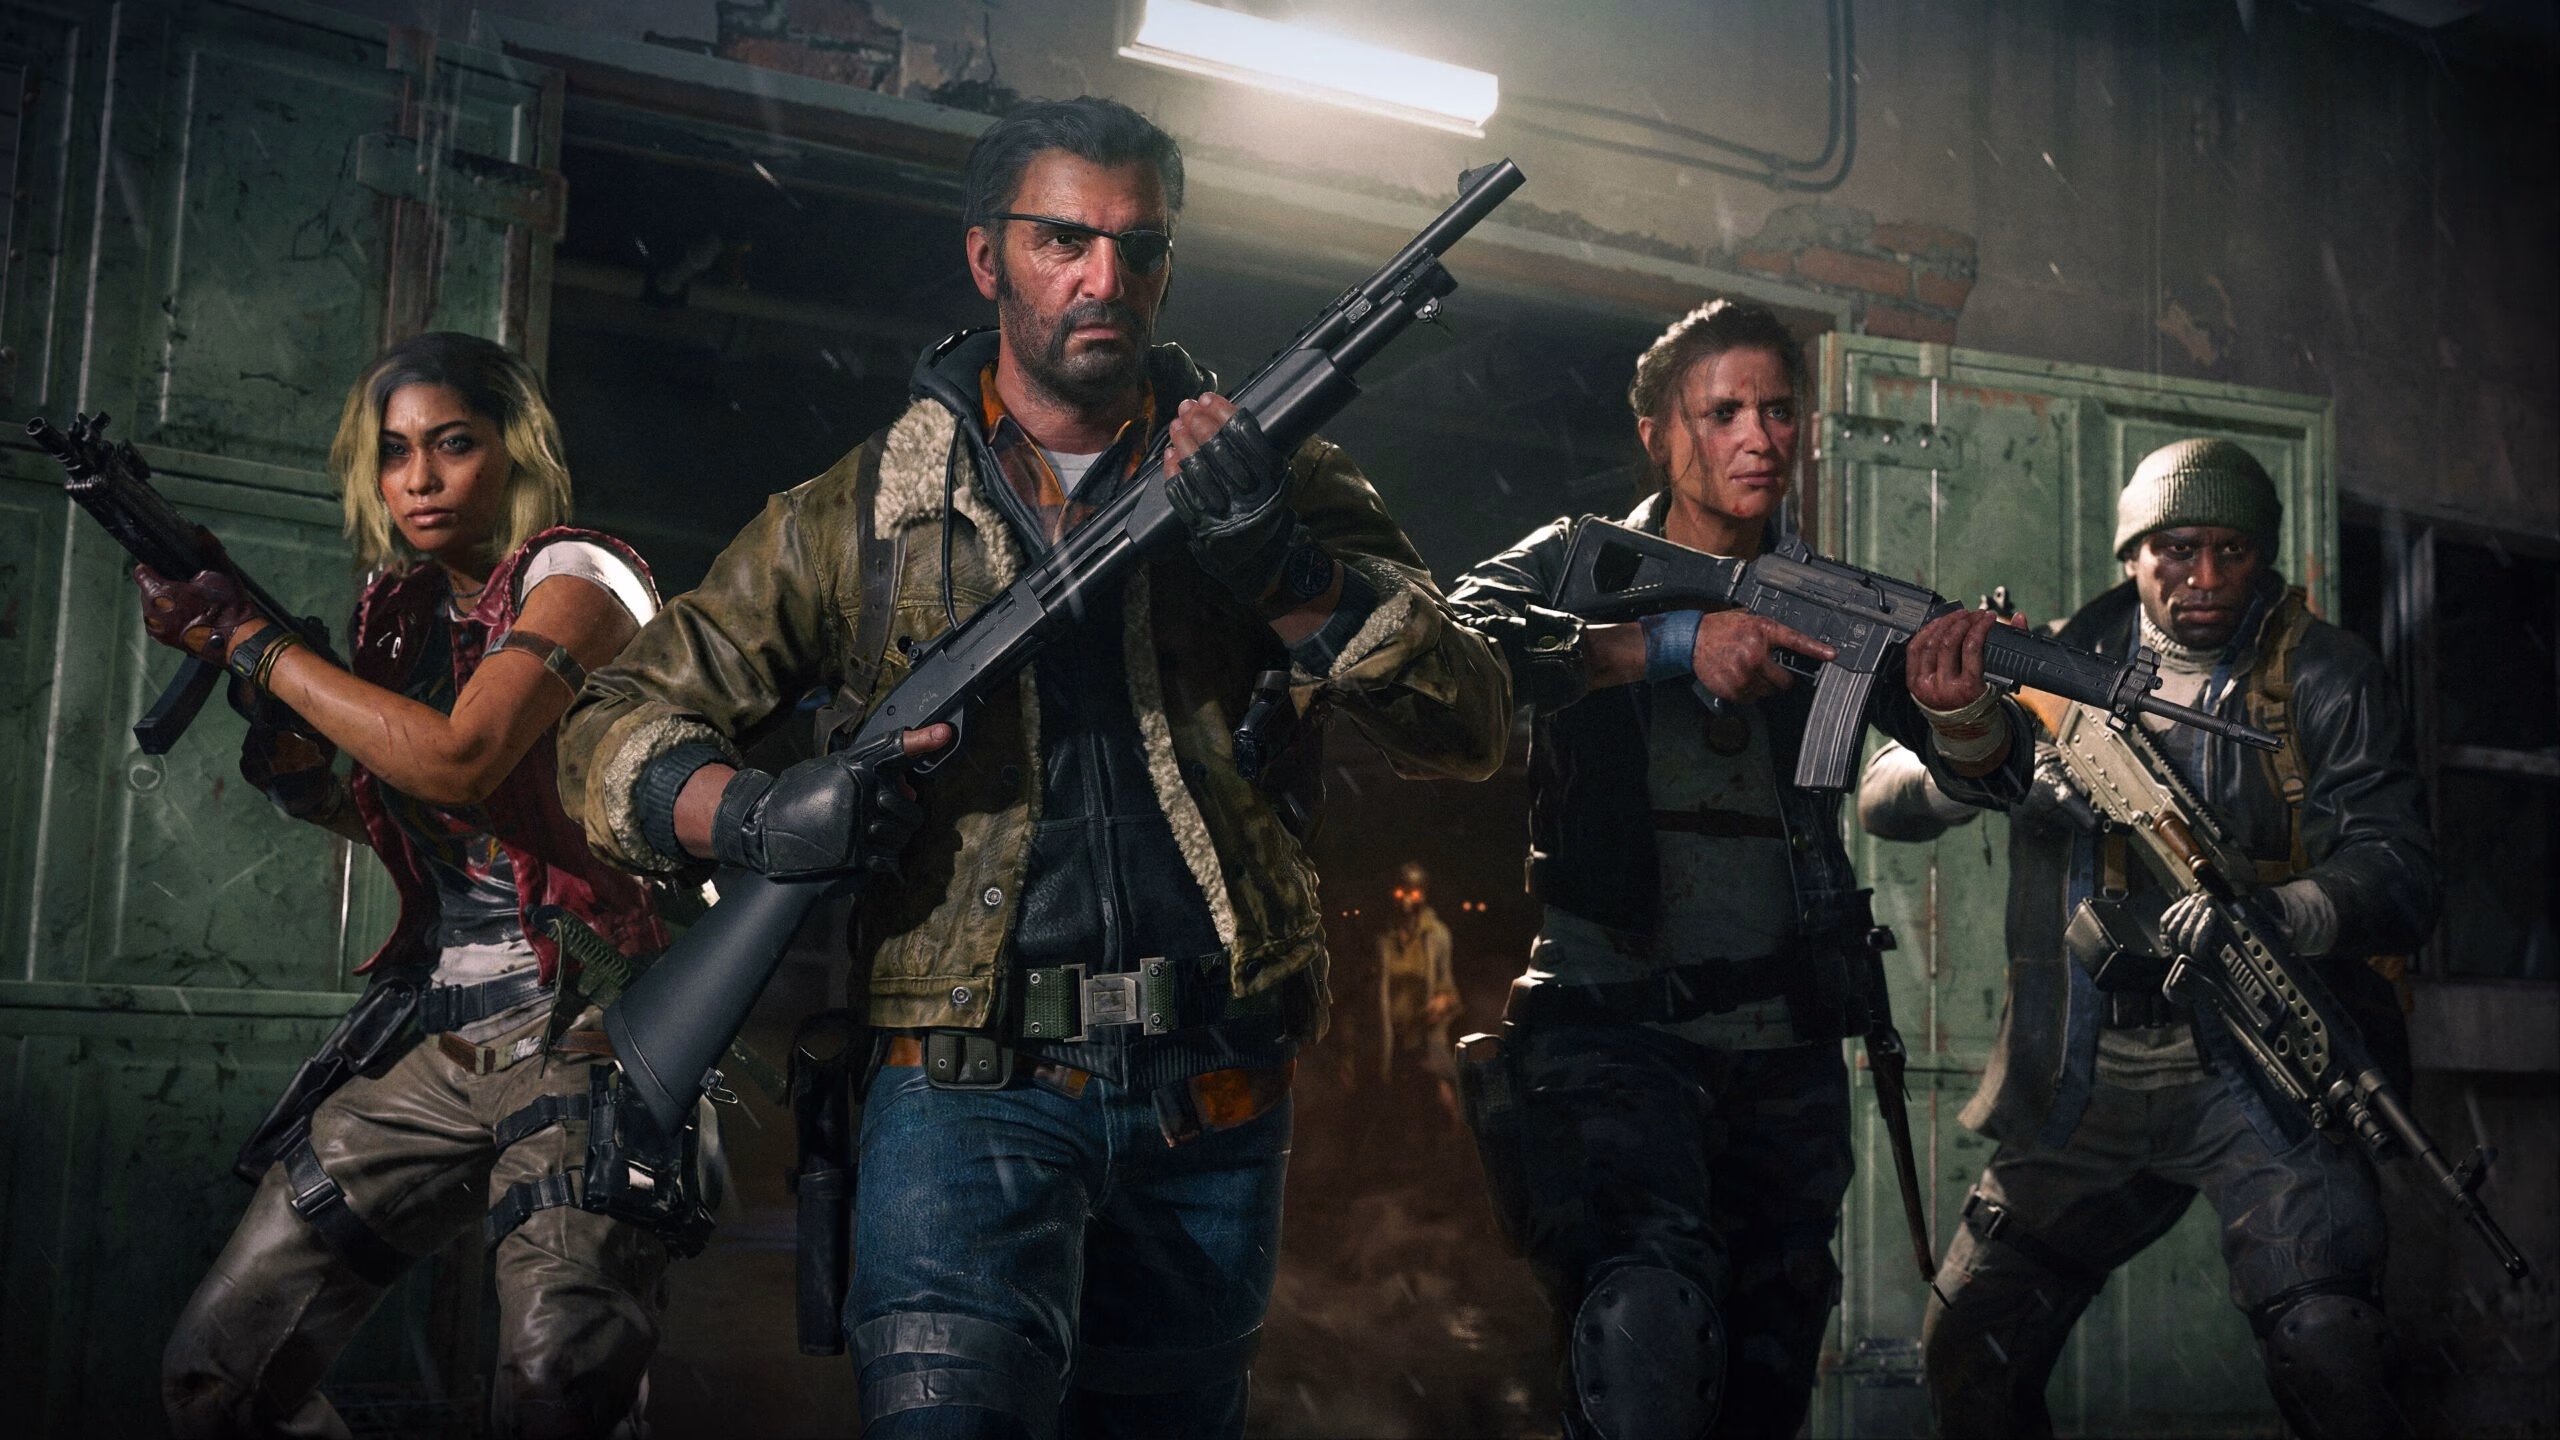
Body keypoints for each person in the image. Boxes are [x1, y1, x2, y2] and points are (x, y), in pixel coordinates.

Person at [556, 96, 1510, 1440]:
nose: (1104, 278)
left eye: (1139, 247)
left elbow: (1471, 721)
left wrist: (1285, 570)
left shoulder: (1271, 474)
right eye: (1064, 240)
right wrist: (761, 817)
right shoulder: (862, 511)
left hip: (1209, 1092)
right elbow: (608, 732)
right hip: (963, 1089)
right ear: (985, 257)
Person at [1447, 298, 2030, 1440]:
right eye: (1723, 414)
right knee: (1647, 1336)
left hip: (1783, 1046)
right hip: (1610, 1031)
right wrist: (1666, 644)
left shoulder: (1837, 603)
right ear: (1658, 435)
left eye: (1778, 411)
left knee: (1770, 1360)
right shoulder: (1576, 561)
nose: (1759, 437)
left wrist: (1964, 710)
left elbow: (1998, 774)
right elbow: (1442, 653)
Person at [147, 332, 677, 1437]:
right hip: (439, 1037)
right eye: (394, 453)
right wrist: (303, 771)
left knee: (555, 1393)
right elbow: (421, 817)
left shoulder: (580, 576)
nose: (420, 478)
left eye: (453, 444)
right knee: (217, 1377)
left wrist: (254, 643)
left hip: (588, 1027)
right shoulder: (397, 612)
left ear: (515, 450)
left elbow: (461, 761)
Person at [1860, 438, 2437, 1440]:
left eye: (2230, 551)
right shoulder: (2051, 661)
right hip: (2086, 1074)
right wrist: (1982, 758)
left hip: (2257, 1072)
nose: (2203, 578)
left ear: (2262, 558)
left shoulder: (2325, 675)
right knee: (1970, 1347)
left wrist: (2284, 912)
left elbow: (2401, 869)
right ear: (2131, 554)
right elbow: (1882, 798)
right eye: (2176, 549)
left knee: (2329, 1348)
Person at [1377, 861, 1462, 1117]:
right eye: (1400, 892)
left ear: (1423, 895)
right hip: (1384, 1037)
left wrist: (1442, 1002)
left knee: (1447, 1095)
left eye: (1413, 893)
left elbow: (1449, 988)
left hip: (1424, 1035)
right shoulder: (1379, 938)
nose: (1406, 900)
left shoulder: (1438, 935)